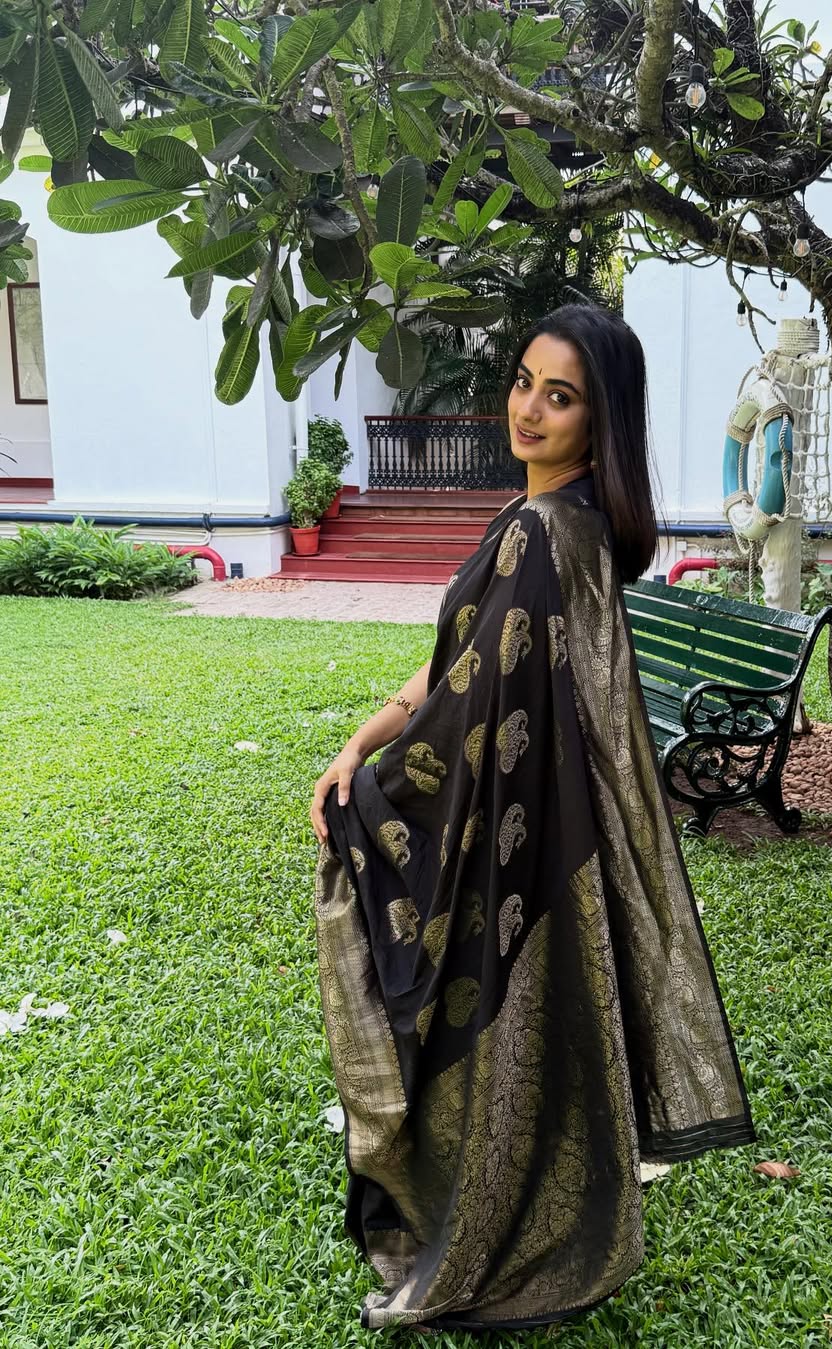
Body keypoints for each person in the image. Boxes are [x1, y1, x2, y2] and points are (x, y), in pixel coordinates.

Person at [309, 303, 755, 1331]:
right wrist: (363, 738)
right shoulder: (571, 521)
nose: (530, 409)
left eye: (561, 397)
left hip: (518, 819)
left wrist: (373, 789)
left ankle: (486, 1222)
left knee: (487, 1012)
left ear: (600, 422)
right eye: (524, 382)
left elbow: (468, 699)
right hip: (553, 825)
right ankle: (534, 1202)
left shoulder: (542, 531)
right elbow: (460, 667)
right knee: (537, 1023)